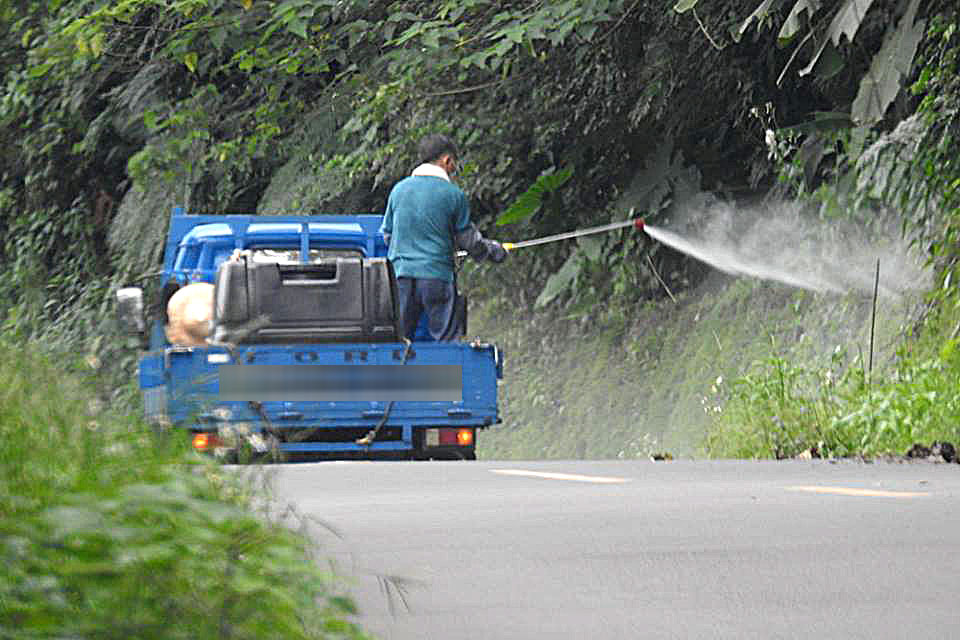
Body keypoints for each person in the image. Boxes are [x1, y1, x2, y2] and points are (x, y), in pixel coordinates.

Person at [380, 134, 507, 341]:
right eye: (454, 164)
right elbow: (470, 242)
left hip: (401, 277)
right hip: (436, 277)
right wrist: (495, 251)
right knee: (446, 344)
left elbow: (387, 236)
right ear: (447, 161)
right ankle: (444, 374)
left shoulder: (398, 191)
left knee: (398, 342)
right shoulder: (453, 195)